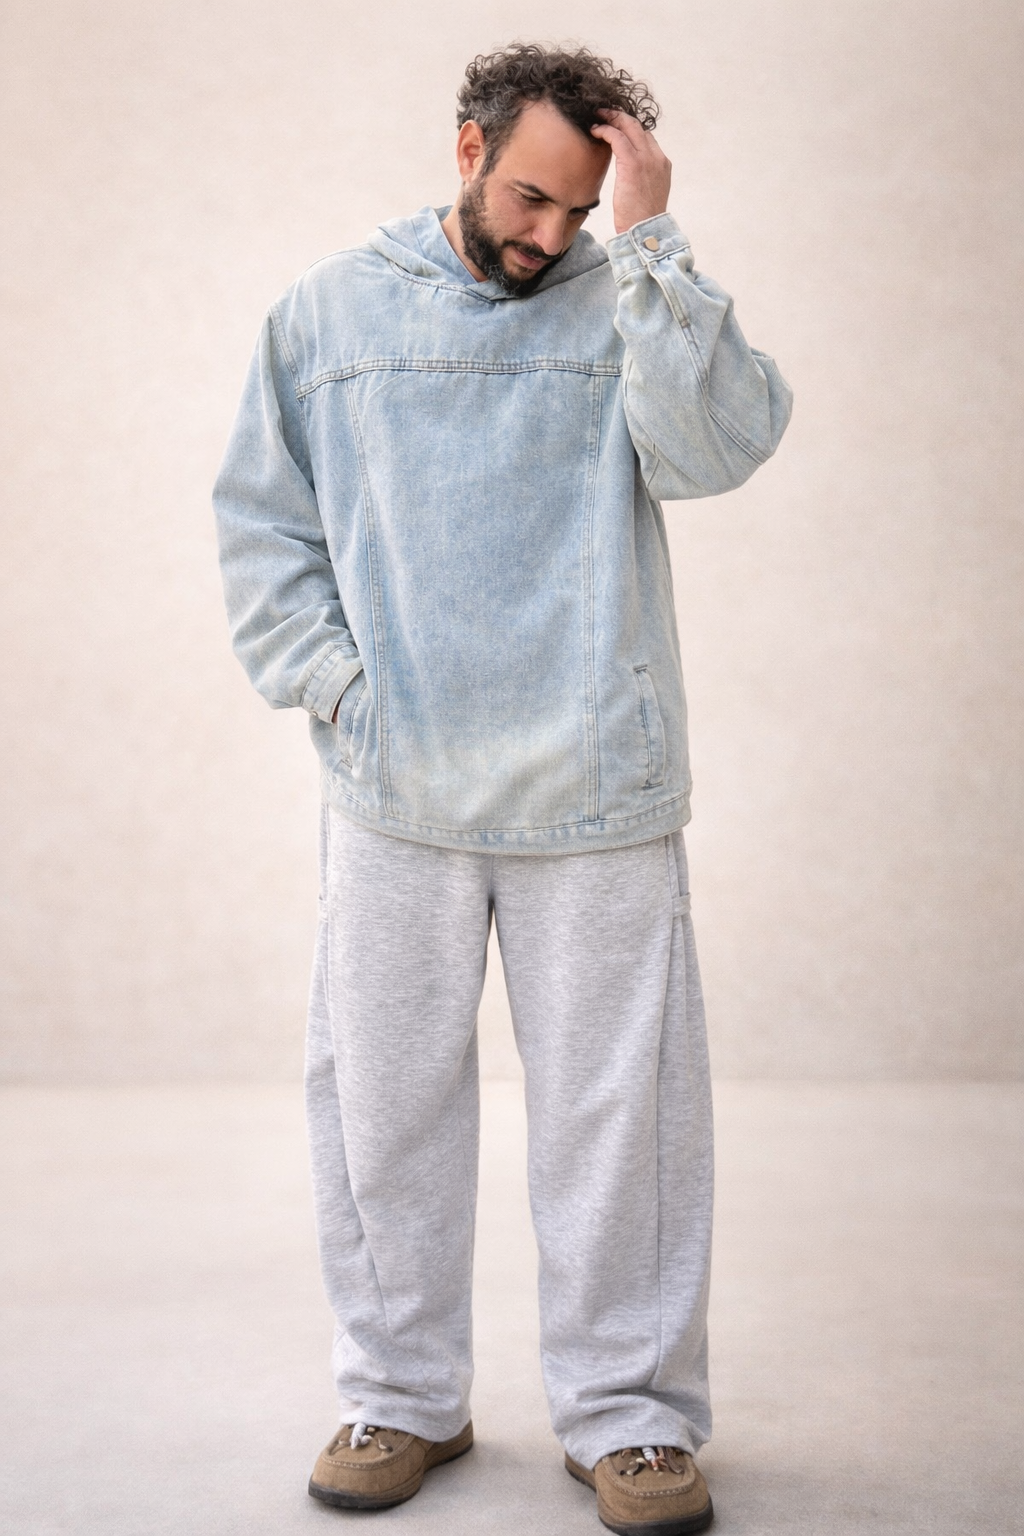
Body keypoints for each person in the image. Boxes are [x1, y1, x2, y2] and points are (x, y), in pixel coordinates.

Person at [213, 42, 791, 1535]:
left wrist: (652, 244)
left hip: (598, 789)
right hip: (396, 788)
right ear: (467, 149)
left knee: (621, 1121)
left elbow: (722, 449)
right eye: (533, 197)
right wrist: (339, 691)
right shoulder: (327, 313)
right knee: (382, 1109)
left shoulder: (628, 297)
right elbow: (264, 530)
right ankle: (400, 1395)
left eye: (580, 210)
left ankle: (632, 1417)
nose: (551, 235)